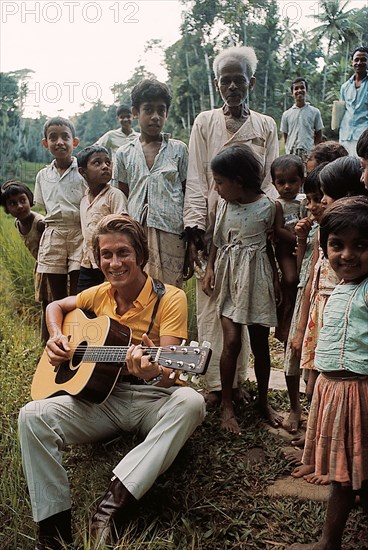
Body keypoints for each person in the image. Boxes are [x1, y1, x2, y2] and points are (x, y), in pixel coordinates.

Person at [18, 214, 206, 550]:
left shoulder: (170, 298)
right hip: (102, 400)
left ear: (141, 256)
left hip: (151, 399)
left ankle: (113, 507)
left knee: (192, 403)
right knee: (31, 416)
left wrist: (152, 370)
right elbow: (57, 306)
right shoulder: (97, 294)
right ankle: (53, 532)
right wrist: (57, 336)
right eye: (106, 255)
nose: (114, 263)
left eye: (123, 253)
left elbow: (167, 371)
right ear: (97, 259)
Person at [183, 45, 279, 407]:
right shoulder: (204, 122)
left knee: (244, 302)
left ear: (250, 82)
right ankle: (212, 385)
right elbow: (196, 178)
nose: (233, 87)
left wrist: (266, 218)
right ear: (217, 84)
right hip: (214, 225)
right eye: (226, 81)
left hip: (251, 227)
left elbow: (269, 179)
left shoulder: (265, 125)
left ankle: (238, 383)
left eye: (240, 80)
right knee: (212, 306)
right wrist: (195, 228)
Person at [286, 195, 368, 550]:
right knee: (342, 474)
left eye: (361, 246)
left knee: (359, 473)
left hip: (361, 393)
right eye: (337, 245)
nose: (347, 255)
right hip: (333, 391)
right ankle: (328, 542)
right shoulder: (338, 291)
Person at [290, 156, 368, 484]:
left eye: (328, 193)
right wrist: (301, 324)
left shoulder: (356, 267)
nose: (321, 201)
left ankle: (339, 469)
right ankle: (318, 457)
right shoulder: (329, 234)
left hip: (353, 358)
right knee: (318, 389)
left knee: (346, 416)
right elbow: (310, 278)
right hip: (325, 321)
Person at [202, 144, 281, 434]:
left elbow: (271, 247)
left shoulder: (268, 206)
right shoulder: (224, 204)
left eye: (220, 182)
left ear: (238, 181)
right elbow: (216, 240)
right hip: (230, 277)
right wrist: (210, 268)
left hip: (257, 278)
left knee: (261, 345)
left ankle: (263, 401)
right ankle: (226, 404)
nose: (217, 188)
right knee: (231, 342)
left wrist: (274, 278)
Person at [115, 79, 188, 288]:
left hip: (172, 232)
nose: (155, 117)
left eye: (161, 110)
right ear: (136, 112)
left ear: (167, 113)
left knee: (169, 292)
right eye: (148, 110)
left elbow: (187, 193)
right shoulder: (124, 154)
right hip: (136, 233)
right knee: (137, 290)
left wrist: (190, 241)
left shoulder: (179, 150)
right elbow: (121, 195)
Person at [282, 165, 326, 435]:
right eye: (307, 199)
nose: (311, 207)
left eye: (316, 199)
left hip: (318, 298)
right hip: (303, 293)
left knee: (313, 362)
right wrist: (300, 238)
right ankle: (295, 407)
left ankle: (314, 421)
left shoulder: (333, 231)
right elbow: (301, 268)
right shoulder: (312, 229)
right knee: (292, 354)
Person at [34, 116, 86, 300]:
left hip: (80, 233)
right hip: (53, 234)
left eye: (65, 137)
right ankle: (59, 329)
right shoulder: (42, 175)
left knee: (77, 295)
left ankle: (77, 328)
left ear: (75, 142)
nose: (60, 142)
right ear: (45, 143)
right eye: (53, 138)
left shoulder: (83, 172)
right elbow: (43, 209)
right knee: (56, 296)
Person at [0, 180, 51, 343]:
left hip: (53, 269)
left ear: (30, 199)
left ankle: (53, 341)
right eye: (13, 203)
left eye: (23, 200)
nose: (20, 206)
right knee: (46, 305)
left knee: (54, 305)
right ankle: (44, 344)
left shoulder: (40, 224)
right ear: (7, 208)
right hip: (41, 268)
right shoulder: (17, 223)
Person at [76, 145, 127, 292]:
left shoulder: (114, 195)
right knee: (83, 303)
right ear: (82, 172)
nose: (105, 166)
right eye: (97, 163)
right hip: (88, 263)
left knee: (109, 303)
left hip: (110, 264)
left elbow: (122, 229)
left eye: (108, 162)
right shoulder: (84, 201)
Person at [271, 155, 305, 343]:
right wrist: (299, 239)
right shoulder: (278, 204)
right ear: (274, 183)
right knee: (291, 278)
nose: (287, 187)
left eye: (293, 181)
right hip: (286, 251)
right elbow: (279, 229)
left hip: (303, 248)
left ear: (302, 180)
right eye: (281, 182)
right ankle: (286, 303)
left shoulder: (305, 200)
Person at [280, 78, 324, 164]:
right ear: (292, 93)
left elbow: (319, 133)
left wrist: (314, 150)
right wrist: (288, 148)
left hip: (308, 153)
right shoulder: (286, 114)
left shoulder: (315, 112)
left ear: (306, 90)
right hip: (291, 153)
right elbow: (285, 136)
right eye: (296, 88)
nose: (299, 90)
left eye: (302, 88)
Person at [96, 105, 138, 185]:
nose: (125, 119)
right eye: (122, 117)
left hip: (135, 176)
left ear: (133, 117)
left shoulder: (139, 137)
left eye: (128, 116)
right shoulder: (111, 135)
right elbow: (95, 148)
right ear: (117, 119)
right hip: (117, 176)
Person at [339, 46, 368, 156]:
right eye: (356, 59)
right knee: (346, 167)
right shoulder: (345, 87)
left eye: (363, 59)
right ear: (352, 62)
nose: (359, 63)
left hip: (364, 137)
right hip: (345, 135)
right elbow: (342, 111)